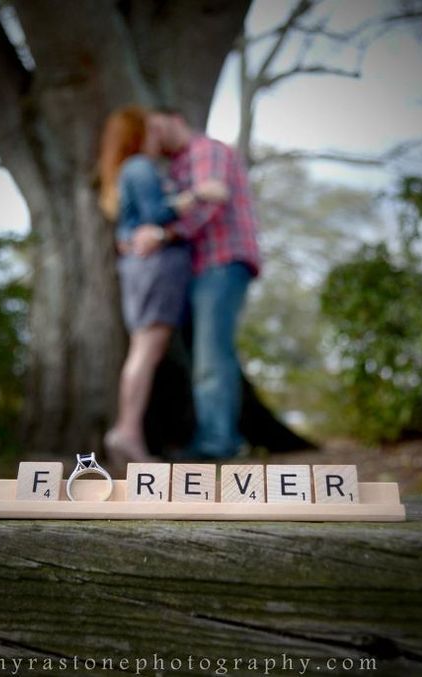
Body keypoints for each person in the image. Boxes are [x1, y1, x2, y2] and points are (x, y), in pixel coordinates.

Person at [98, 106, 228, 470]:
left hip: (143, 268)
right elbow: (156, 213)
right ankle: (126, 430)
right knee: (146, 350)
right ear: (141, 134)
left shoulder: (130, 169)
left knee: (144, 350)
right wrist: (200, 194)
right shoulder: (139, 166)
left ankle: (130, 434)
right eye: (152, 129)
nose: (159, 136)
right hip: (155, 268)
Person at [132, 108, 261, 461]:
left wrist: (162, 233)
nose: (153, 137)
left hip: (222, 261)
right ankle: (216, 436)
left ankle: (218, 444)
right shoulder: (176, 166)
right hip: (201, 268)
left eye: (156, 127)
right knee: (206, 352)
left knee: (211, 354)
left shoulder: (206, 150)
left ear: (175, 119)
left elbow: (209, 207)